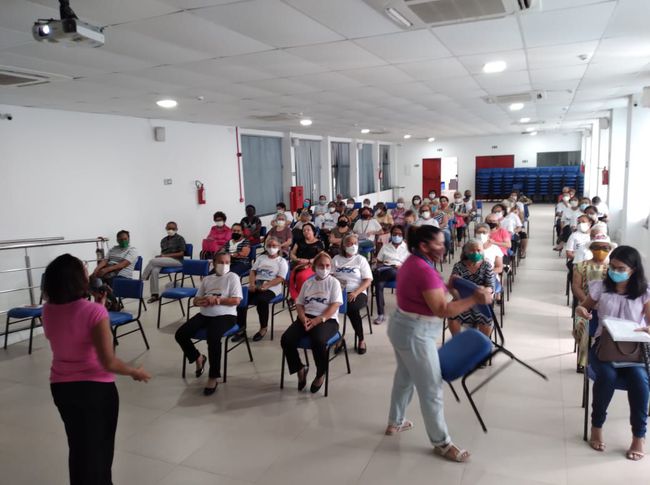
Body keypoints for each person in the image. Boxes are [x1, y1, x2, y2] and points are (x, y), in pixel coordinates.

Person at [385, 225, 492, 462]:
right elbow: (442, 309)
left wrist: (448, 287)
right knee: (432, 389)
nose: (444, 247)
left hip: (402, 327)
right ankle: (442, 443)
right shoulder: (424, 270)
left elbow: (427, 293)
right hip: (415, 335)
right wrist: (475, 298)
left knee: (405, 377)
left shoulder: (414, 262)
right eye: (439, 243)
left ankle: (395, 421)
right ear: (424, 246)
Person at [42, 254, 151, 485]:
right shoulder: (94, 313)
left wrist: (97, 307)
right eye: (84, 269)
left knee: (79, 447)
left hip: (61, 388)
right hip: (94, 391)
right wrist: (135, 371)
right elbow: (108, 361)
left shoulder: (48, 310)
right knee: (100, 450)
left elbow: (72, 329)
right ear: (77, 279)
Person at [576, 246, 650, 461]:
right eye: (612, 267)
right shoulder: (600, 287)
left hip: (633, 350)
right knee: (607, 376)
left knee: (640, 379)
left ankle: (638, 436)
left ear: (633, 269)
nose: (615, 272)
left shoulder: (644, 293)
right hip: (605, 346)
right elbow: (583, 308)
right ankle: (597, 426)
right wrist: (583, 312)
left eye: (621, 269)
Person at [174, 251, 242, 395]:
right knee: (180, 334)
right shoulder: (207, 279)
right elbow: (195, 300)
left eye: (227, 262)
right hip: (205, 314)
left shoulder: (233, 277)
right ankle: (198, 357)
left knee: (213, 337)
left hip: (226, 316)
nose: (224, 265)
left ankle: (213, 376)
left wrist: (217, 300)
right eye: (221, 262)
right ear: (214, 263)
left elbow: (236, 300)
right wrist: (202, 301)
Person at [281, 252, 343, 393]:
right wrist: (302, 317)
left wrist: (318, 320)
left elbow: (335, 305)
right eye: (321, 265)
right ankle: (300, 368)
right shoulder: (308, 283)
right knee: (286, 339)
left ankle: (320, 373)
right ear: (314, 267)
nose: (324, 268)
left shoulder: (334, 283)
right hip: (307, 317)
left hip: (327, 320)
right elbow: (299, 303)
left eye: (327, 266)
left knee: (318, 340)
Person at [571, 234, 616, 372]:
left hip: (606, 307)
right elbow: (576, 287)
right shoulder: (580, 266)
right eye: (597, 247)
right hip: (585, 306)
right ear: (591, 249)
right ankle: (584, 360)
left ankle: (607, 357)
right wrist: (588, 302)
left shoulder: (613, 268)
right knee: (582, 325)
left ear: (609, 250)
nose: (601, 251)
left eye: (605, 248)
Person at [236, 237, 288, 342]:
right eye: (269, 245)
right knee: (241, 298)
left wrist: (267, 285)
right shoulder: (261, 258)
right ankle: (241, 329)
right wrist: (252, 284)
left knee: (262, 300)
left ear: (279, 247)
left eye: (274, 246)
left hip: (272, 286)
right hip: (257, 283)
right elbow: (253, 272)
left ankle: (263, 328)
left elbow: (281, 278)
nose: (271, 248)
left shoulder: (281, 261)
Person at [333, 234, 373, 354]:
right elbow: (330, 276)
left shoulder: (360, 260)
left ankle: (361, 339)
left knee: (351, 308)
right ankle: (338, 337)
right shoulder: (336, 259)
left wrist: (355, 292)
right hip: (339, 291)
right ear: (343, 245)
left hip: (357, 292)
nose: (353, 246)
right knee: (326, 308)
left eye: (355, 243)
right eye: (350, 243)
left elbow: (368, 280)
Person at [447, 240, 495, 337]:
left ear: (482, 251)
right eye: (472, 251)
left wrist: (483, 291)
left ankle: (482, 343)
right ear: (466, 252)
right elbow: (452, 287)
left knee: (486, 318)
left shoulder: (486, 266)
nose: (476, 253)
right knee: (452, 314)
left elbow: (490, 287)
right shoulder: (458, 266)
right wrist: (460, 299)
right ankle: (457, 341)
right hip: (461, 299)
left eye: (478, 250)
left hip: (480, 301)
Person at [143, 222, 187, 304]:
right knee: (154, 271)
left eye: (173, 229)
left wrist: (165, 256)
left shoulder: (180, 239)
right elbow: (163, 253)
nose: (171, 230)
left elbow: (181, 254)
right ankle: (155, 295)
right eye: (169, 228)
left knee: (152, 261)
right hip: (166, 260)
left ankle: (142, 280)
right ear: (166, 229)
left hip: (177, 261)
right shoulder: (163, 240)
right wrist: (161, 256)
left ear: (176, 229)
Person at [373, 225, 409, 325]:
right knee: (379, 285)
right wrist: (384, 264)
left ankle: (376, 277)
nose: (397, 236)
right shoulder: (385, 247)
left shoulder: (407, 248)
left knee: (383, 276)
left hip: (401, 272)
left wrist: (401, 267)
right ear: (391, 235)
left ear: (403, 235)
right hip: (386, 270)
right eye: (394, 234)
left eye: (399, 234)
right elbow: (379, 262)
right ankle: (381, 314)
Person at [289, 223, 324, 301]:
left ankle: (302, 296)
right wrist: (297, 259)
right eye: (304, 230)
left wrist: (309, 261)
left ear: (313, 231)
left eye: (308, 230)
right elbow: (292, 254)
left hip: (312, 265)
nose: (306, 232)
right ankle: (296, 296)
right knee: (290, 276)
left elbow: (321, 256)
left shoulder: (318, 243)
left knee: (302, 276)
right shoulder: (299, 242)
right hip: (299, 264)